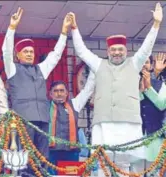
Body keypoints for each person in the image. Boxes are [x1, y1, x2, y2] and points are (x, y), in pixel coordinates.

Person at [67, 2, 163, 176]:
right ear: (108, 50)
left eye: (120, 49)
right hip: (104, 123)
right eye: (113, 49)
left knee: (125, 165)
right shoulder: (98, 64)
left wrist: (156, 24)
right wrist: (74, 28)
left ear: (125, 50)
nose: (117, 52)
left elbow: (147, 47)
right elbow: (81, 51)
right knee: (104, 162)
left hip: (128, 122)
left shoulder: (134, 63)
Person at [2, 7, 72, 176]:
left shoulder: (41, 69)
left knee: (41, 159)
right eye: (25, 52)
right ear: (18, 55)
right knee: (24, 161)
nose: (29, 54)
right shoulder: (13, 69)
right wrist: (11, 28)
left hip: (43, 121)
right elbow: (5, 51)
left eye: (31, 51)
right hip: (24, 120)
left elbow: (55, 55)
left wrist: (63, 32)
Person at [48, 71, 95, 175]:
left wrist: (93, 68)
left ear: (66, 93)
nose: (59, 93)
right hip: (51, 151)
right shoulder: (44, 107)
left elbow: (88, 89)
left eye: (61, 90)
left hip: (71, 151)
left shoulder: (75, 104)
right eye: (55, 91)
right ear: (50, 94)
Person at [139, 56, 166, 176]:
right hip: (135, 135)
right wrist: (139, 92)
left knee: (155, 172)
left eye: (147, 62)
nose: (144, 65)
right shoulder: (128, 85)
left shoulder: (161, 85)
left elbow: (162, 104)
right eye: (141, 62)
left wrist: (149, 88)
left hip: (155, 137)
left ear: (151, 65)